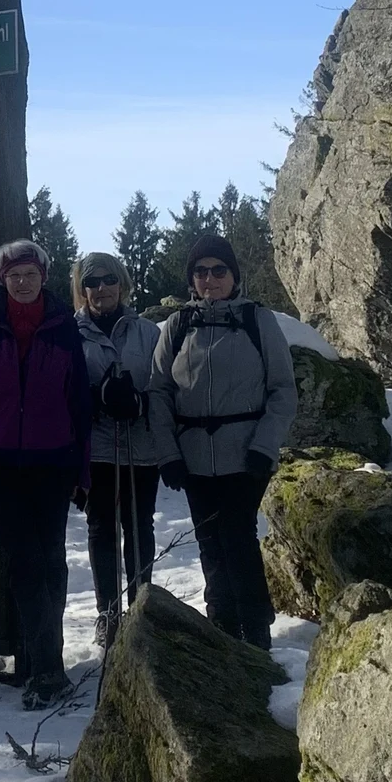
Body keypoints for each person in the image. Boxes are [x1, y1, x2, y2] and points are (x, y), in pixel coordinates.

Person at [0, 238, 92, 708]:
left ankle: (47, 664)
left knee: (52, 561)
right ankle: (44, 668)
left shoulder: (62, 327)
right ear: (2, 280)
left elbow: (79, 400)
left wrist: (82, 470)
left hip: (54, 463)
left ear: (44, 277)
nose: (21, 282)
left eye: (29, 274)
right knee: (26, 564)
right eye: (13, 275)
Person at [148, 234, 297, 648]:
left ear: (234, 275)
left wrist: (264, 447)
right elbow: (158, 391)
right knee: (210, 543)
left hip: (245, 454)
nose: (210, 279)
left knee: (237, 537)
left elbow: (283, 390)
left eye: (219, 270)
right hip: (194, 459)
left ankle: (255, 633)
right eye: (201, 271)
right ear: (191, 279)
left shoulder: (257, 320)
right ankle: (224, 628)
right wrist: (169, 455)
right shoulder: (177, 326)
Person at [72, 250, 162, 650]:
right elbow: (61, 386)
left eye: (108, 280)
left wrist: (140, 402)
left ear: (122, 283)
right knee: (101, 529)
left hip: (140, 447)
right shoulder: (71, 333)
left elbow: (165, 387)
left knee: (139, 526)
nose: (101, 288)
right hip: (96, 448)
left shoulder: (147, 333)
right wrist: (94, 397)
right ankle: (107, 613)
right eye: (92, 282)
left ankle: (142, 610)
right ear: (82, 289)